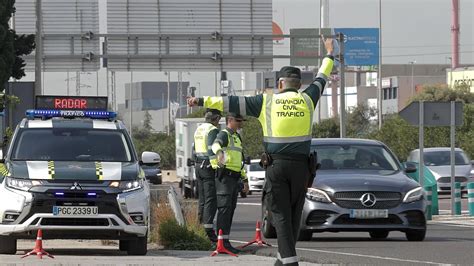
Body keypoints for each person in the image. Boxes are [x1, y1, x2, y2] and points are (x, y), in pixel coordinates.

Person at [188, 36, 335, 265]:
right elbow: (322, 77)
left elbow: (230, 102)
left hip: (277, 167)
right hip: (301, 168)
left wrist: (199, 100)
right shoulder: (308, 99)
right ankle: (282, 259)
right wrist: (329, 53)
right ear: (298, 84)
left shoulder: (266, 102)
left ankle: (289, 261)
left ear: (280, 84)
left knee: (280, 214)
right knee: (294, 214)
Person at [211, 112, 249, 254]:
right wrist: (220, 153)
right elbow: (215, 145)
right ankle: (221, 243)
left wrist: (245, 180)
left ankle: (225, 242)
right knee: (224, 209)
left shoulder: (237, 137)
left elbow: (240, 161)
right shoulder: (224, 134)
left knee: (230, 210)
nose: (241, 123)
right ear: (230, 120)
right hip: (225, 177)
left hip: (235, 177)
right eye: (238, 121)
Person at [193, 109, 222, 242]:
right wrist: (218, 166)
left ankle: (199, 227)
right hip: (208, 166)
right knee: (211, 199)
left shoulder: (199, 129)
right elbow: (212, 149)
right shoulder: (212, 130)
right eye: (219, 119)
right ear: (215, 119)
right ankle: (208, 231)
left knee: (203, 199)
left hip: (198, 165)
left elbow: (194, 149)